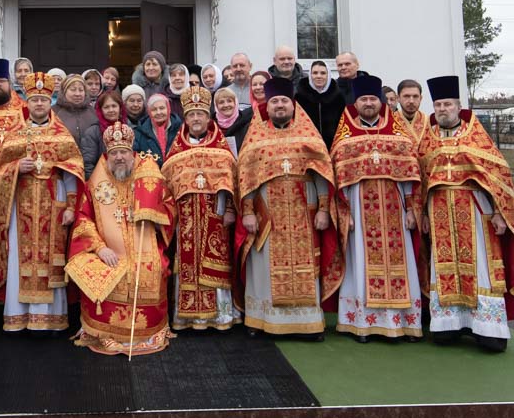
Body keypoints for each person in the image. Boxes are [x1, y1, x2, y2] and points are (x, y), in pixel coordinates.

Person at [416, 75, 514, 352]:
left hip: (475, 210)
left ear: (458, 106)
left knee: (482, 268)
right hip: (438, 212)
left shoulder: (476, 136)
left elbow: (500, 178)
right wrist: (422, 212)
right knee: (442, 267)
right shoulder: (427, 140)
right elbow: (421, 181)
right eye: (438, 104)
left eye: (447, 104)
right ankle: (448, 325)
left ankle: (488, 330)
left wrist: (499, 212)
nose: (442, 109)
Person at [234, 78, 342, 337]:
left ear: (293, 105)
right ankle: (262, 320)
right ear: (266, 106)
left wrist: (325, 210)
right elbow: (246, 176)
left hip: (304, 211)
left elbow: (321, 174)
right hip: (267, 211)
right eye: (274, 102)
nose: (279, 105)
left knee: (307, 266)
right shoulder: (255, 137)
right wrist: (247, 211)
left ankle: (309, 323)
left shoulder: (308, 135)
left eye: (284, 101)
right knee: (264, 267)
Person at [0, 73, 85, 333]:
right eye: (35, 100)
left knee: (52, 260)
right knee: (21, 258)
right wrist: (17, 166)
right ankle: (19, 318)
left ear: (50, 101)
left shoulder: (62, 134)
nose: (39, 104)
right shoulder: (15, 134)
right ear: (27, 102)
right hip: (22, 204)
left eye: (43, 99)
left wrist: (71, 207)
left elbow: (73, 172)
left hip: (54, 201)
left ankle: (49, 320)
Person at [329, 76, 423, 342]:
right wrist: (344, 214)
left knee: (401, 264)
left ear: (381, 103)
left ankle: (403, 324)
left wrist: (410, 210)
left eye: (372, 99)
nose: (368, 103)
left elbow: (409, 176)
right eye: (363, 100)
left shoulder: (397, 135)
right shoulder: (345, 138)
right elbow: (339, 178)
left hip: (395, 210)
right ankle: (363, 324)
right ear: (355, 103)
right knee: (360, 264)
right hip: (359, 211)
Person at [65, 125, 174, 356]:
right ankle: (104, 333)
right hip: (108, 250)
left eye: (124, 152)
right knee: (101, 272)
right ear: (107, 154)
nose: (119, 157)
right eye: (114, 153)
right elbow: (83, 218)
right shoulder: (96, 182)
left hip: (144, 247)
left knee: (154, 269)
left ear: (132, 152)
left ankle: (146, 333)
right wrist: (100, 248)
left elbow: (169, 206)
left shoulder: (148, 175)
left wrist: (152, 214)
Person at [161, 87, 239, 331]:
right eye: (192, 114)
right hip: (185, 219)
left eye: (201, 114)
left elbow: (231, 181)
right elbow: (167, 183)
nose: (196, 119)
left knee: (215, 262)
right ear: (185, 119)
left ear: (209, 118)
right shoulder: (177, 151)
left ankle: (220, 317)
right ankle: (187, 318)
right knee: (186, 265)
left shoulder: (222, 148)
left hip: (215, 214)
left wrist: (229, 211)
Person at [296, 60, 346, 148]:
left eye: (323, 73)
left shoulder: (338, 97)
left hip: (333, 146)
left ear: (328, 75)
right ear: (310, 75)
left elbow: (343, 124)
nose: (319, 76)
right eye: (315, 73)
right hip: (307, 146)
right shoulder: (299, 97)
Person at [83, 90, 124, 176]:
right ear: (100, 110)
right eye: (106, 107)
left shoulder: (128, 129)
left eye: (114, 106)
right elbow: (88, 164)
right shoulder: (92, 132)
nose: (111, 110)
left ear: (120, 108)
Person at [52, 73, 98, 148]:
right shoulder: (53, 112)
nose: (77, 94)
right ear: (64, 91)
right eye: (73, 90)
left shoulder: (93, 113)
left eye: (81, 90)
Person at [134, 92, 180, 159]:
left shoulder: (180, 128)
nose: (158, 112)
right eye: (154, 109)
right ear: (149, 112)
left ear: (168, 109)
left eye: (162, 108)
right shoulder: (139, 133)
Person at [214, 87, 250, 153]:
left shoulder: (246, 124)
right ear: (216, 106)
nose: (226, 105)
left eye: (229, 101)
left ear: (235, 103)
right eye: (221, 102)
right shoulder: (212, 127)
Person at [396, 79, 430, 144]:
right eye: (406, 96)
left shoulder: (429, 122)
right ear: (398, 98)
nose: (411, 101)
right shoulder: (390, 121)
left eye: (415, 96)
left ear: (421, 98)